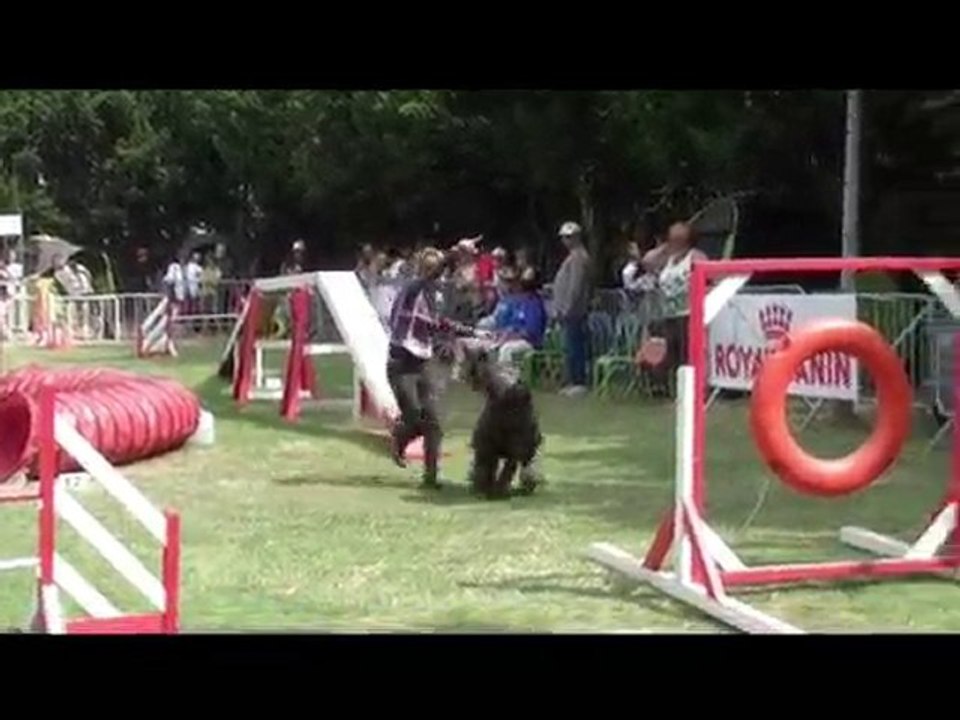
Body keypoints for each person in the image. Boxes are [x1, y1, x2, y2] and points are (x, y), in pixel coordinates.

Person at [386, 247, 472, 489]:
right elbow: (426, 278)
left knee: (433, 423)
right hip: (401, 364)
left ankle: (431, 478)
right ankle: (400, 438)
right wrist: (455, 252)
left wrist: (473, 332)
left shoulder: (433, 298)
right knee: (415, 418)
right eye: (432, 270)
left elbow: (440, 325)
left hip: (422, 363)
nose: (436, 276)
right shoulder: (411, 289)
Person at [647, 221, 708, 397]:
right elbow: (647, 261)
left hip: (689, 313)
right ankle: (666, 389)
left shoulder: (695, 256)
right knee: (668, 353)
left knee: (687, 355)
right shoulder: (669, 258)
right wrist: (665, 248)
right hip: (669, 314)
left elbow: (708, 276)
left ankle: (692, 392)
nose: (675, 240)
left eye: (678, 237)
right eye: (672, 236)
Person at [551, 221, 593, 397]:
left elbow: (575, 286)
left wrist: (567, 307)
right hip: (569, 310)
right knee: (570, 346)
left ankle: (578, 381)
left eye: (568, 237)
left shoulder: (579, 257)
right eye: (564, 238)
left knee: (575, 346)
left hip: (574, 311)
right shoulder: (574, 256)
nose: (565, 241)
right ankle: (572, 380)